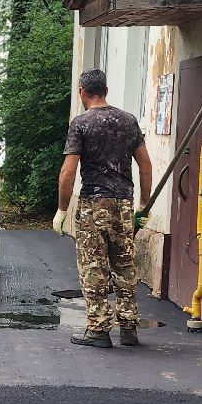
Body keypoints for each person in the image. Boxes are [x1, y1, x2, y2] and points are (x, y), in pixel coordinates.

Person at [55, 68, 152, 348]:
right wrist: (143, 205)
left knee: (93, 266)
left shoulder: (81, 124)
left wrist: (62, 209)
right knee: (124, 265)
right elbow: (145, 165)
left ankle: (98, 330)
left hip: (92, 204)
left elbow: (68, 172)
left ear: (82, 92)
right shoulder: (129, 121)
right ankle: (129, 328)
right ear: (106, 91)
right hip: (124, 204)